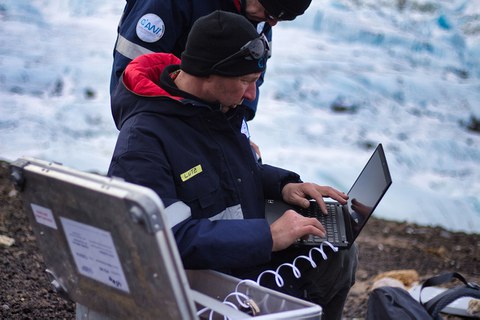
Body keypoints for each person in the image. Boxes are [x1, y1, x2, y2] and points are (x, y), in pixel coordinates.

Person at [108, 11, 358, 320]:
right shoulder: (143, 140)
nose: (252, 94)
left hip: (238, 261)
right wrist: (267, 237)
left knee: (340, 251)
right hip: (206, 288)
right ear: (208, 73)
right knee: (329, 264)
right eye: (245, 81)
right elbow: (163, 237)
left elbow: (225, 172)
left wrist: (284, 185)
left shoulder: (213, 110)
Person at [110, 0, 313, 123]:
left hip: (203, 128)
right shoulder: (165, 4)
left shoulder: (258, 15)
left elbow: (250, 79)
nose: (271, 23)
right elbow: (131, 79)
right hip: (159, 122)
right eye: (269, 13)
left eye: (279, 19)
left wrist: (235, 134)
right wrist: (165, 133)